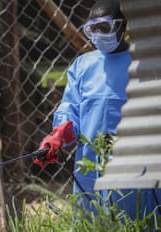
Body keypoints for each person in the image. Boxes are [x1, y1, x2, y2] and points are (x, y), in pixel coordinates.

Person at [34, 0, 161, 219]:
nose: (97, 35)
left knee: (137, 226)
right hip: (89, 166)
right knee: (91, 228)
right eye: (92, 29)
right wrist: (58, 136)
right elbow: (70, 109)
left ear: (123, 25)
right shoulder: (82, 65)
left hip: (137, 165)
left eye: (104, 27)